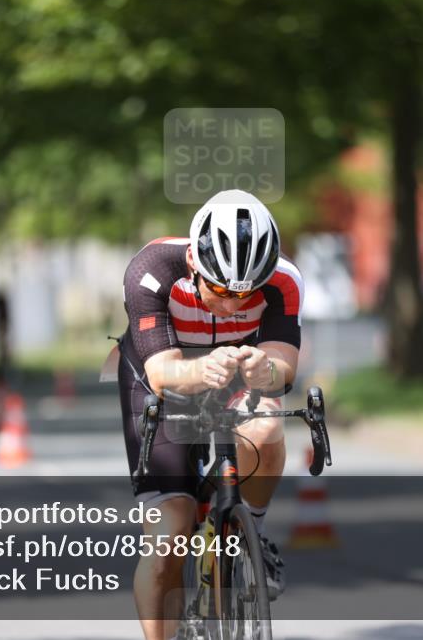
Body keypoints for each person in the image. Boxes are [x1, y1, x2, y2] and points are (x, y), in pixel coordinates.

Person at [117, 190, 304, 640]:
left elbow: (284, 368)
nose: (234, 305)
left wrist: (266, 368)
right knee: (171, 533)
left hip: (236, 373)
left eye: (247, 294)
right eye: (220, 290)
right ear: (195, 264)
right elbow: (162, 374)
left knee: (265, 429)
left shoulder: (284, 281)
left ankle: (249, 532)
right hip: (162, 373)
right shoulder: (151, 272)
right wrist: (201, 368)